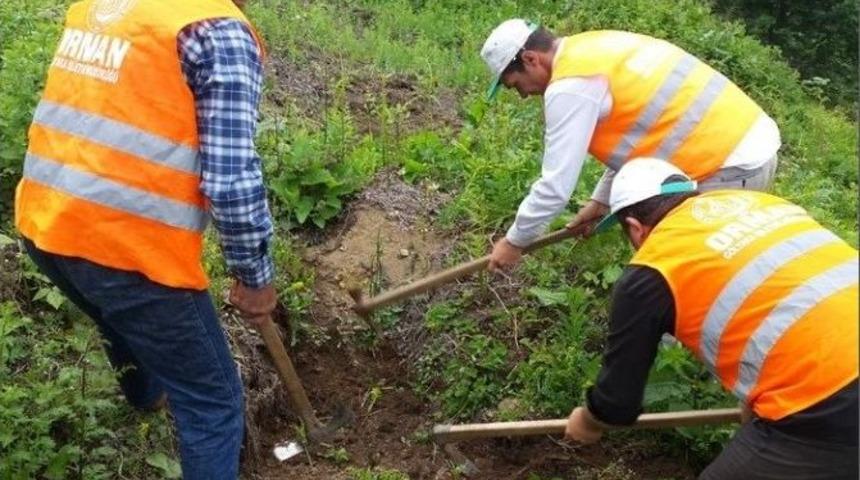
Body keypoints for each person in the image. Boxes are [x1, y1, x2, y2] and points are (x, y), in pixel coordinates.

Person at [14, 0, 275, 477]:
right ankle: (159, 395)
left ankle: (146, 395)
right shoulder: (218, 32)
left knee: (116, 314)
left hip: (46, 225)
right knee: (212, 401)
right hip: (127, 252)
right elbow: (232, 184)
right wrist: (254, 277)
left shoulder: (107, 6)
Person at [562, 158, 858, 479]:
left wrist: (589, 421)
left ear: (635, 227)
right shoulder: (761, 202)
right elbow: (792, 298)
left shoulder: (653, 269)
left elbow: (617, 403)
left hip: (830, 400)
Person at [479, 20, 781, 271]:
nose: (521, 95)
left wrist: (514, 242)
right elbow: (640, 134)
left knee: (678, 270)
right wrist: (600, 202)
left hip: (726, 165)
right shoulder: (595, 46)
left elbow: (555, 186)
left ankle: (670, 340)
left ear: (531, 58)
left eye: (515, 84)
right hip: (749, 143)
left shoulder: (570, 86)